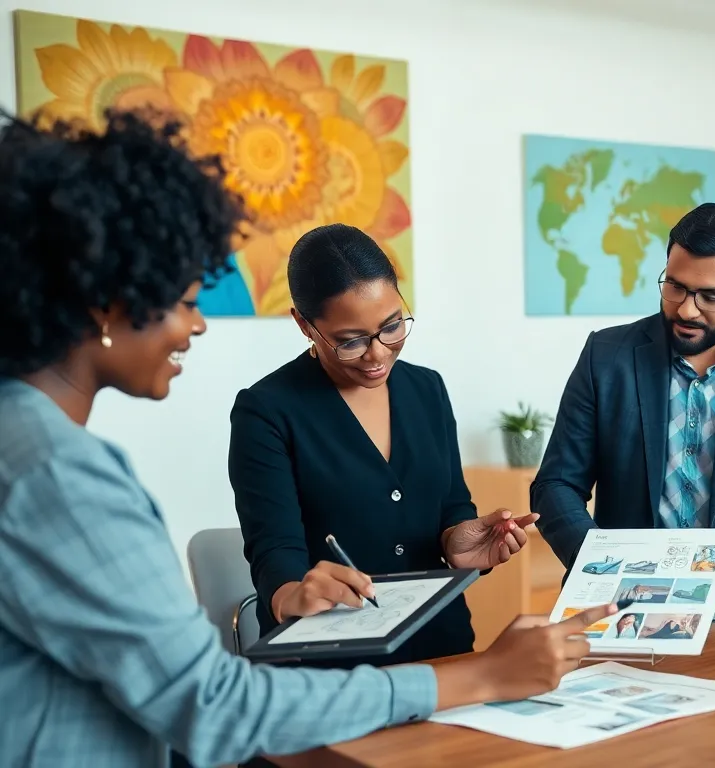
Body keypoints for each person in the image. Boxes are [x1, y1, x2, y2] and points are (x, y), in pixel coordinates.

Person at [0, 109, 615, 768]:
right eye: (183, 300)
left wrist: (459, 549)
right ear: (106, 307)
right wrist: (484, 677)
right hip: (332, 691)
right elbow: (211, 703)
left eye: (392, 327)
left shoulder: (26, 444)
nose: (198, 326)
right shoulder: (56, 472)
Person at [229, 223, 524, 668]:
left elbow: (450, 504)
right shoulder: (267, 411)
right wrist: (293, 595)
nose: (378, 354)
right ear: (304, 325)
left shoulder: (427, 389)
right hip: (328, 663)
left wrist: (457, 541)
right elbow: (274, 551)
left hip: (439, 650)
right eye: (350, 341)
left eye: (391, 327)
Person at [531, 203, 715, 615]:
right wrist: (600, 563)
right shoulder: (606, 357)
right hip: (614, 602)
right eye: (675, 286)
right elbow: (555, 486)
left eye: (711, 296)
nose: (687, 309)